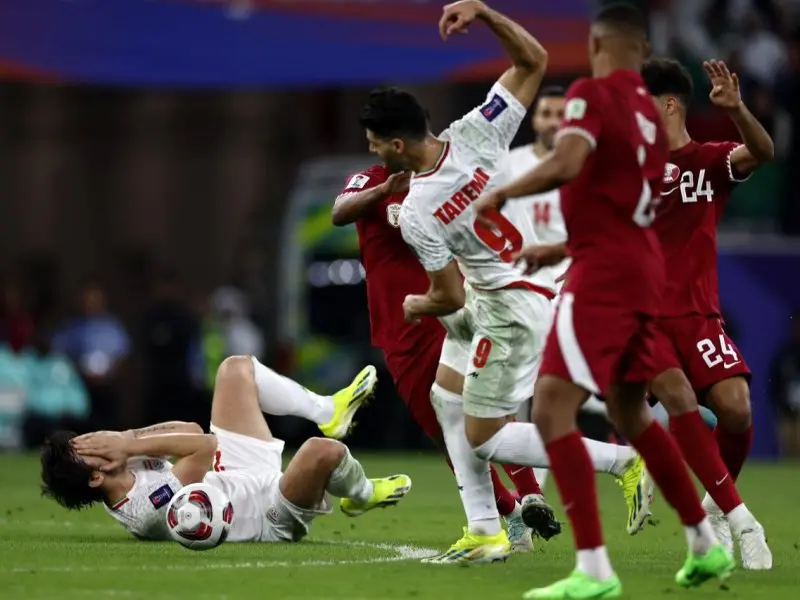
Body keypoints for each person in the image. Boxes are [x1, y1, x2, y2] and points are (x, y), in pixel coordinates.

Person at [358, 0, 647, 567]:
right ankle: (486, 531)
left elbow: (447, 296)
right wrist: (486, 14)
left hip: (510, 308)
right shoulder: (475, 132)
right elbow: (534, 60)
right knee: (446, 398)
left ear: (396, 146)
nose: (371, 149)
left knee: (485, 436)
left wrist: (415, 304)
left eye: (373, 142)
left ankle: (622, 461)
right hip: (516, 287)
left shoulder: (416, 210)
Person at [476, 4, 733, 598]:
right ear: (641, 50)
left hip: (603, 275)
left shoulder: (591, 94)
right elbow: (626, 200)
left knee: (550, 409)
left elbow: (567, 162)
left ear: (596, 44)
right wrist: (563, 245)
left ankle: (592, 571)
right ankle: (704, 545)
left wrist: (502, 195)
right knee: (629, 411)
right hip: (643, 270)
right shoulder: (648, 115)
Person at [333, 159, 644, 560]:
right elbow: (340, 211)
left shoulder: (445, 181)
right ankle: (512, 513)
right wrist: (385, 190)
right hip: (403, 329)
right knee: (449, 429)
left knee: (480, 415)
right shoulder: (373, 180)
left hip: (453, 313)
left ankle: (522, 502)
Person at [40, 357, 411, 543]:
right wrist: (130, 444)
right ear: (95, 477)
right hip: (267, 514)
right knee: (321, 451)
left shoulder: (123, 461)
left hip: (232, 475)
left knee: (234, 369)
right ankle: (363, 494)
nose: (96, 441)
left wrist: (126, 436)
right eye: (87, 449)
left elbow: (190, 430)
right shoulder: (147, 510)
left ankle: (328, 411)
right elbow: (204, 446)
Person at [641, 57, 773, 569]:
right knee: (678, 401)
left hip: (697, 315)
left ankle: (716, 507)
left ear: (669, 105)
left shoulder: (707, 161)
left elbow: (762, 152)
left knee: (737, 409)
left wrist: (737, 110)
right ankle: (742, 520)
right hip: (643, 319)